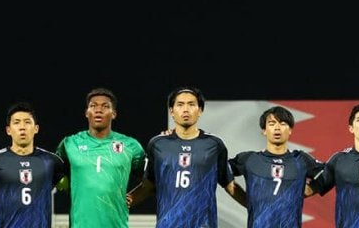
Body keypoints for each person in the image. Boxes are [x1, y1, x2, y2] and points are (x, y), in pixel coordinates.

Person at [127, 87, 243, 227]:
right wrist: (124, 202)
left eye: (191, 104)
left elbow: (230, 185)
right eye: (180, 104)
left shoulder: (214, 144)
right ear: (171, 111)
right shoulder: (157, 144)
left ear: (200, 110)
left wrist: (255, 205)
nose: (186, 109)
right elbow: (149, 185)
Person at [56, 87, 146, 228]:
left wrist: (134, 196)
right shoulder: (70, 144)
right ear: (87, 113)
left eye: (105, 106)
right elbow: (54, 173)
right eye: (93, 106)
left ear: (113, 113)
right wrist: (68, 187)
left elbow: (150, 180)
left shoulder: (130, 146)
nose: (98, 110)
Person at [228, 105, 325, 228]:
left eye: (283, 123)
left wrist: (308, 189)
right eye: (272, 123)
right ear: (264, 130)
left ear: (290, 130)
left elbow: (329, 173)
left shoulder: (301, 159)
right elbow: (221, 171)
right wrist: (246, 200)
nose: (277, 128)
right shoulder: (249, 159)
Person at [0, 102, 66, 228]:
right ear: (8, 130)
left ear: (36, 128)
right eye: (17, 122)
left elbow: (73, 187)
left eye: (27, 122)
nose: (22, 127)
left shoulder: (51, 161)